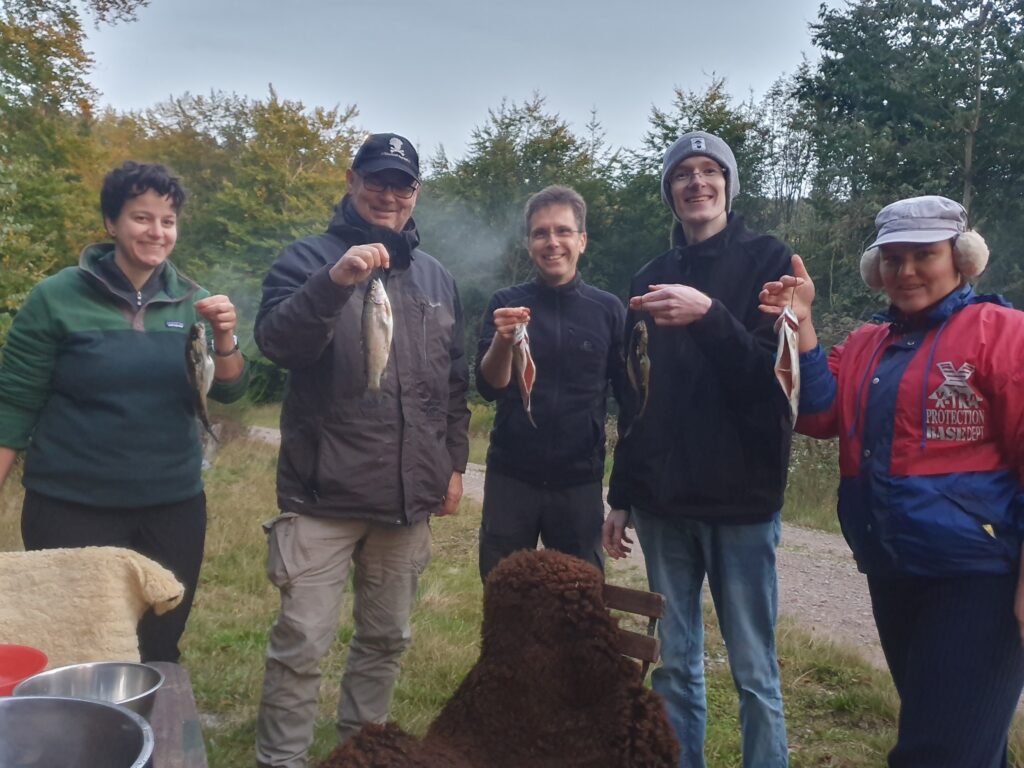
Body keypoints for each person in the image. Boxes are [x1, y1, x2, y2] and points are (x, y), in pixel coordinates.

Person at [759, 195, 1024, 768]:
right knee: (967, 744)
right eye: (893, 259)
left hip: (979, 579)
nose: (906, 272)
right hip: (893, 572)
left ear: (962, 259)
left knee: (936, 753)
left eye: (924, 255)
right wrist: (801, 322)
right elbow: (819, 414)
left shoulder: (1003, 334)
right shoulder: (866, 343)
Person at [253, 132, 471, 768]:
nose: (388, 193)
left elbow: (453, 384)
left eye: (401, 184)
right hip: (322, 494)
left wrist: (454, 464)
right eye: (376, 179)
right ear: (352, 182)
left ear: (415, 194)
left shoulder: (436, 278)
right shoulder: (306, 259)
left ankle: (360, 754)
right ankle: (282, 760)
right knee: (301, 643)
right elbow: (277, 344)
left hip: (406, 499)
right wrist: (334, 281)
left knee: (386, 640)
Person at [0, 160, 248, 662]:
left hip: (172, 507)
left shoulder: (193, 302)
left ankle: (146, 733)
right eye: (141, 217)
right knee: (75, 642)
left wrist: (224, 337)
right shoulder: (55, 298)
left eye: (168, 221)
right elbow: (13, 405)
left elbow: (230, 389)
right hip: (70, 507)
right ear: (111, 223)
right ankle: (79, 736)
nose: (156, 232)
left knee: (158, 640)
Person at [603, 131, 793, 768]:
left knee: (754, 672)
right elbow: (636, 397)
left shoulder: (772, 260)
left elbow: (773, 385)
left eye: (711, 171)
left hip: (741, 502)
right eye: (683, 173)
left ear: (729, 185)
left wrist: (709, 313)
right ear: (670, 192)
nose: (697, 182)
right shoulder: (650, 277)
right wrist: (622, 497)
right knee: (676, 667)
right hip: (664, 505)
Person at [475, 185, 625, 580]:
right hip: (511, 477)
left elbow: (629, 399)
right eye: (541, 233)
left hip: (579, 484)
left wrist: (626, 493)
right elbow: (489, 387)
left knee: (579, 599)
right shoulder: (504, 305)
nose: (552, 242)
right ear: (529, 244)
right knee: (505, 596)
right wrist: (503, 342)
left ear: (582, 241)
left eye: (562, 231)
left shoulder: (608, 310)